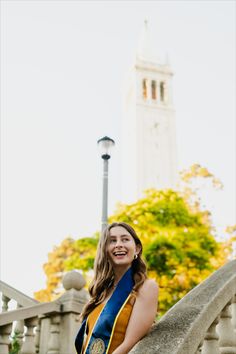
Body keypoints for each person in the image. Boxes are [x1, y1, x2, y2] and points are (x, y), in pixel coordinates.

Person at [75, 221, 158, 354]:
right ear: (105, 250)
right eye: (112, 241)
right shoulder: (101, 294)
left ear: (137, 249)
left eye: (125, 239)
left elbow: (130, 343)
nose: (119, 244)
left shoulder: (145, 287)